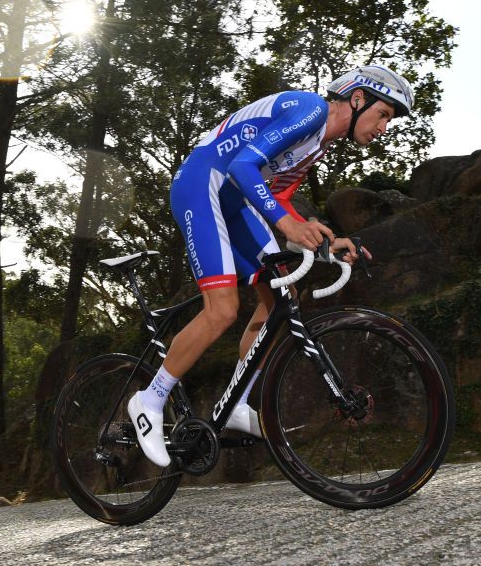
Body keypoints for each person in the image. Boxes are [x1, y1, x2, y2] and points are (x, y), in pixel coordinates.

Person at [128, 64, 414, 467]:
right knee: (223, 309)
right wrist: (290, 226)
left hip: (235, 200)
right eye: (383, 114)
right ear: (357, 97)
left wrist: (328, 242)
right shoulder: (312, 109)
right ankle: (150, 399)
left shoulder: (317, 146)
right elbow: (244, 168)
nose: (384, 127)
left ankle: (241, 402)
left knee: (282, 297)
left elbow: (274, 201)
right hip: (203, 183)